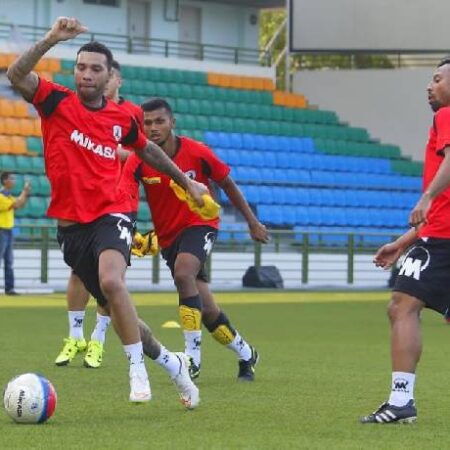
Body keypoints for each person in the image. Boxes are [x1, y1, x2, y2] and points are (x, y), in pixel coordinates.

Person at [7, 17, 205, 406]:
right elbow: (16, 74)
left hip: (113, 211)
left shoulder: (123, 117)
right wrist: (51, 38)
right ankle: (170, 363)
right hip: (72, 226)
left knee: (113, 283)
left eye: (95, 69)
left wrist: (187, 182)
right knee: (119, 310)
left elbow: (147, 149)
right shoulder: (55, 101)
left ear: (109, 75)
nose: (86, 74)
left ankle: (136, 371)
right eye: (81, 67)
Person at [121, 97, 269, 381]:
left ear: (172, 123)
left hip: (201, 224)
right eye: (147, 123)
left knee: (183, 272)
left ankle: (191, 359)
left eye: (159, 121)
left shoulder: (197, 152)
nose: (152, 128)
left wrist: (252, 222)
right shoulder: (140, 158)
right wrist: (127, 231)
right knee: (209, 310)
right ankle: (247, 354)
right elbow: (123, 193)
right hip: (168, 237)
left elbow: (227, 183)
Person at [361, 58, 450, 424]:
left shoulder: (446, 116)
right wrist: (403, 242)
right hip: (437, 232)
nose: (429, 86)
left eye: (437, 79)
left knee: (401, 306)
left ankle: (400, 402)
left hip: (442, 239)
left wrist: (425, 196)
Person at [54, 59, 144, 370]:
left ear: (116, 79)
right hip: (87, 205)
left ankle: (99, 340)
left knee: (111, 278)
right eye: (85, 70)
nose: (96, 79)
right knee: (79, 272)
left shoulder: (131, 115)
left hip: (121, 203)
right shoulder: (81, 110)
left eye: (105, 74)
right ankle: (75, 336)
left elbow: (143, 154)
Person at [0, 172, 30, 295]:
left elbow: (20, 204)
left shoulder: (8, 196)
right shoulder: (1, 197)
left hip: (8, 230)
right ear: (5, 181)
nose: (14, 180)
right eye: (11, 178)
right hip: (1, 230)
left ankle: (9, 288)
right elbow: (16, 204)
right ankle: (9, 288)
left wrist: (25, 193)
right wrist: (24, 192)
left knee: (9, 261)